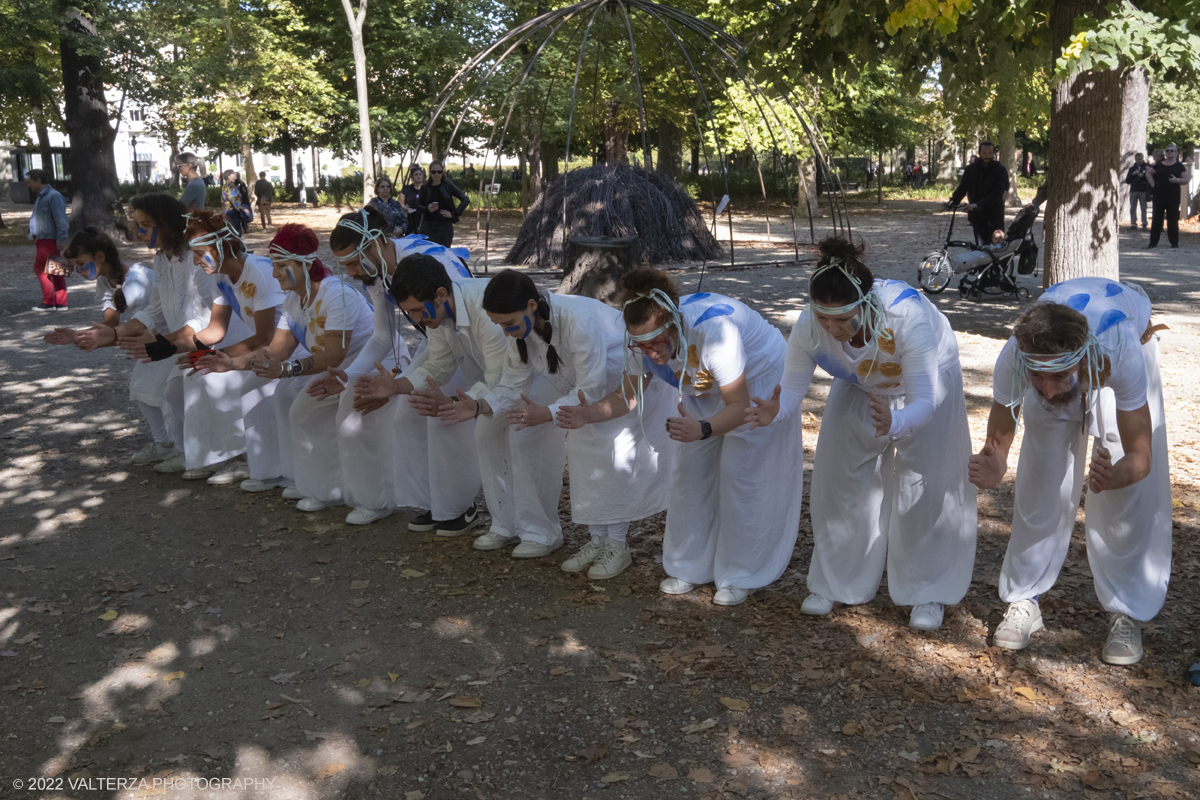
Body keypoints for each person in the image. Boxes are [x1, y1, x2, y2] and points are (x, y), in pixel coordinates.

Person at [745, 238, 977, 631]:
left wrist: (896, 424)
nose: (832, 330)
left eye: (843, 320)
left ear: (867, 306)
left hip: (928, 381)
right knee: (840, 476)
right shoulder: (810, 327)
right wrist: (776, 411)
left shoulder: (908, 319)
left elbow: (924, 400)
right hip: (861, 380)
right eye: (824, 319)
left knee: (928, 478)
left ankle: (927, 590)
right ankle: (838, 580)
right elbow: (793, 389)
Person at [555, 269, 802, 604]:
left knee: (742, 472)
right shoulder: (641, 341)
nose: (652, 353)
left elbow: (738, 406)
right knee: (689, 473)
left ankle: (742, 572)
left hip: (757, 381)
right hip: (703, 382)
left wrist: (702, 429)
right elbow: (628, 396)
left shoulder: (716, 333)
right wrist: (588, 414)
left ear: (673, 322)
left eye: (658, 343)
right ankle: (689, 565)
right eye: (641, 345)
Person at [968, 278, 1170, 665]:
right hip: (1068, 357)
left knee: (1123, 498)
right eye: (1037, 377)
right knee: (1041, 482)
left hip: (1119, 349)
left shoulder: (1119, 349)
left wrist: (1118, 475)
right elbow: (1001, 432)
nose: (1044, 390)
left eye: (1057, 376)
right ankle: (1024, 598)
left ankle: (1126, 610)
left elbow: (1141, 454)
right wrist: (995, 460)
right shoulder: (1017, 355)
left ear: (1081, 360)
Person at [467, 271, 675, 572]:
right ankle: (597, 538)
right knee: (582, 455)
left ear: (530, 305)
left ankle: (617, 544)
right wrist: (477, 406)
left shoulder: (578, 320)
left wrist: (549, 413)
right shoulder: (523, 332)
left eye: (508, 324)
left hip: (621, 384)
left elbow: (591, 386)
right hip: (582, 396)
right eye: (499, 325)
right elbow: (512, 383)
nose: (505, 332)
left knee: (612, 458)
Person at [303, 207, 469, 523]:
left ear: (377, 242)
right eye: (345, 265)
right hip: (434, 341)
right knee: (401, 414)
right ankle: (431, 501)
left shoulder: (426, 259)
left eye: (353, 262)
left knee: (434, 413)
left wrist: (402, 383)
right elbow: (382, 338)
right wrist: (349, 376)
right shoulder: (377, 272)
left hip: (463, 340)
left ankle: (458, 505)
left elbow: (457, 322)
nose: (350, 273)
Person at [192, 224, 374, 494]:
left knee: (304, 409)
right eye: (274, 265)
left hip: (364, 366)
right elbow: (276, 350)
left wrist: (285, 370)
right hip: (336, 368)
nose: (274, 273)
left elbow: (334, 354)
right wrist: (231, 364)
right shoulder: (294, 300)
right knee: (286, 399)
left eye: (282, 265)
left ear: (305, 263)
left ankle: (331, 490)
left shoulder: (335, 294)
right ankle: (297, 478)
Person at [352, 253, 508, 534]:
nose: (415, 319)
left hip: (522, 383)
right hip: (492, 383)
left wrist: (454, 403)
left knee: (491, 435)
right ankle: (442, 505)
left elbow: (499, 378)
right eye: (409, 313)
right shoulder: (438, 314)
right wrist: (396, 387)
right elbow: (439, 363)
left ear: (440, 294)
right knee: (411, 416)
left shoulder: (484, 308)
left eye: (418, 310)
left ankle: (510, 525)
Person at [43, 227, 179, 465]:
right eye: (75, 266)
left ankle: (175, 446)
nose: (79, 271)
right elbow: (109, 328)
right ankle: (166, 443)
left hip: (169, 337)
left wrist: (89, 337)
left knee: (156, 391)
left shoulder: (135, 283)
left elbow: (136, 326)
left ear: (100, 257)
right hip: (151, 339)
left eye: (82, 264)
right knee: (144, 389)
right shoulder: (106, 282)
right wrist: (77, 335)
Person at [174, 210, 283, 483]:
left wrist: (217, 358)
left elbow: (265, 337)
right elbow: (214, 330)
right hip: (268, 348)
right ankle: (229, 457)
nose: (197, 262)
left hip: (288, 348)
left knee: (240, 387)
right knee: (197, 380)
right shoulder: (220, 276)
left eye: (200, 254)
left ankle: (253, 462)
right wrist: (164, 348)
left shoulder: (258, 272)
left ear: (223, 245)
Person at [115, 194, 216, 473]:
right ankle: (184, 449)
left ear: (168, 223)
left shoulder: (195, 257)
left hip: (211, 339)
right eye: (138, 224)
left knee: (177, 390)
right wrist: (114, 334)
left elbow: (207, 317)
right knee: (159, 386)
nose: (140, 232)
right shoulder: (161, 258)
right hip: (179, 341)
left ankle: (204, 453)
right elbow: (155, 309)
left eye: (146, 224)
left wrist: (163, 343)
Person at [948, 141, 1010, 247]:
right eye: (984, 153)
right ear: (979, 153)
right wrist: (953, 201)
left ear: (993, 153)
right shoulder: (970, 169)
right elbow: (962, 188)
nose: (987, 156)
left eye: (990, 153)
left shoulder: (1000, 170)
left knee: (997, 249)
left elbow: (997, 193)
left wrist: (977, 204)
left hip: (994, 215)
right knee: (981, 247)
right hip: (978, 216)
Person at [26, 168, 70, 312]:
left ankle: (49, 302)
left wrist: (62, 239)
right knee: (55, 271)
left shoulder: (53, 196)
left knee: (40, 269)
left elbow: (61, 220)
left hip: (48, 240)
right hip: (43, 239)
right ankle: (61, 303)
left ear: (38, 180)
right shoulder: (41, 197)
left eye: (30, 181)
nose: (29, 185)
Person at [417, 160, 469, 247]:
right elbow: (418, 206)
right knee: (429, 254)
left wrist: (454, 214)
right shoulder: (425, 187)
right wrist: (427, 209)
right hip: (428, 226)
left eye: (439, 172)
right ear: (430, 173)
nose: (436, 174)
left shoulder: (448, 185)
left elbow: (465, 199)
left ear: (443, 172)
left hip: (445, 226)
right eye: (434, 172)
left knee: (444, 253)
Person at [1147, 144, 1188, 249]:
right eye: (1167, 150)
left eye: (1171, 150)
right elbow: (1148, 173)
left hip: (1173, 197)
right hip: (1159, 196)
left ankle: (1174, 243)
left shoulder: (1179, 166)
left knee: (1173, 220)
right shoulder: (1160, 165)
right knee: (1156, 220)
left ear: (1175, 153)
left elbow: (1186, 180)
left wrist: (1177, 180)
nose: (1169, 152)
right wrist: (1153, 184)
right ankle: (1153, 243)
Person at [221, 170, 253, 235]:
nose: (235, 173)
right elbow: (233, 199)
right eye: (233, 173)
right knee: (235, 232)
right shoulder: (230, 185)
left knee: (232, 232)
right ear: (229, 176)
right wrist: (243, 209)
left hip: (228, 211)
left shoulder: (226, 185)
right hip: (232, 211)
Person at [1124, 153, 1150, 230]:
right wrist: (1133, 174)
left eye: (1141, 159)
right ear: (1135, 159)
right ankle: (1133, 223)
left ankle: (1144, 223)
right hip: (1133, 190)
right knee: (1133, 207)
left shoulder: (1147, 167)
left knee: (1143, 208)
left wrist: (1144, 175)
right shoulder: (1132, 169)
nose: (1139, 161)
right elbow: (1127, 181)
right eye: (1138, 159)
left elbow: (1152, 176)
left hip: (1143, 190)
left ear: (1143, 158)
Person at [401, 166, 425, 236]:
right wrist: (407, 209)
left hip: (423, 219)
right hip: (410, 219)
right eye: (416, 174)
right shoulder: (406, 189)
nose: (418, 176)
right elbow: (401, 204)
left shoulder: (427, 188)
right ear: (412, 176)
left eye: (420, 174)